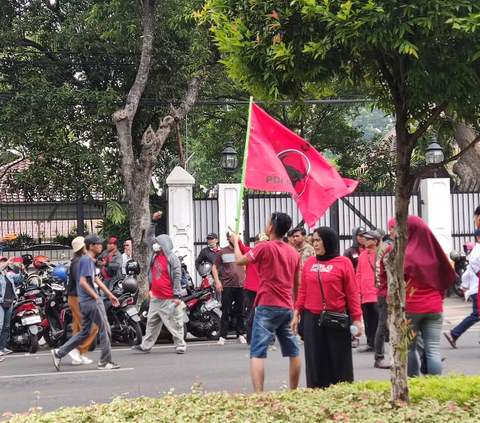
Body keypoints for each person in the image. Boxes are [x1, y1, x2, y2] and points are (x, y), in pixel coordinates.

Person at [230, 212, 301, 393]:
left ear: (270, 228)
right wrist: (295, 310)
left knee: (257, 353)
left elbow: (239, 260)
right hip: (286, 307)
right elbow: (297, 284)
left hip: (267, 305)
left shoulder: (264, 247)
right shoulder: (293, 252)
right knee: (293, 352)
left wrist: (236, 242)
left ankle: (259, 395)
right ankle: (293, 391)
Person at [380, 216, 455, 377]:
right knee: (433, 348)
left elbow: (385, 276)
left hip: (410, 308)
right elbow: (444, 277)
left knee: (409, 349)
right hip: (434, 307)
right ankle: (436, 386)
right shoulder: (434, 251)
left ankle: (414, 385)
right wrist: (439, 298)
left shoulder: (396, 251)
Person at [292, 227, 362, 388]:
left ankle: (342, 395)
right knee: (315, 360)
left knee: (339, 361)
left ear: (329, 241)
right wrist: (296, 313)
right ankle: (317, 393)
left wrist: (357, 319)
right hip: (312, 318)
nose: (315, 244)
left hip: (336, 318)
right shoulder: (310, 262)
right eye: (313, 240)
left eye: (319, 240)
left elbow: (352, 293)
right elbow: (303, 290)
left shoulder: (343, 262)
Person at [51, 234, 121, 371]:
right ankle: (105, 361)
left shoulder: (88, 260)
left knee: (85, 332)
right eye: (98, 244)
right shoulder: (85, 261)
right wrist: (95, 296)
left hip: (87, 300)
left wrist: (110, 295)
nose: (101, 246)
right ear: (91, 246)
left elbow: (96, 279)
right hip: (89, 301)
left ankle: (59, 352)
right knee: (104, 328)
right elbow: (82, 282)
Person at [132, 211, 186, 354]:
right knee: (151, 322)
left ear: (163, 245)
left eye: (158, 243)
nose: (155, 244)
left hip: (169, 298)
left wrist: (177, 296)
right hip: (156, 297)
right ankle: (146, 346)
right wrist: (153, 222)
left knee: (174, 320)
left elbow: (176, 276)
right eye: (156, 243)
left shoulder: (172, 258)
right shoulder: (155, 254)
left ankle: (180, 345)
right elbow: (149, 236)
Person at [65, 236, 98, 365]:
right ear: (82, 247)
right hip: (77, 297)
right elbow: (82, 281)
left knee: (78, 327)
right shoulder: (78, 262)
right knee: (91, 326)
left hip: (76, 297)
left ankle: (78, 353)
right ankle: (76, 350)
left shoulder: (79, 260)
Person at [444, 229, 480, 348]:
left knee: (476, 314)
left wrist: (464, 286)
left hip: (476, 289)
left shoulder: (475, 251)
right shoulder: (477, 252)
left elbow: (467, 273)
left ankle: (454, 334)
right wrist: (464, 287)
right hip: (477, 290)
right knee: (476, 315)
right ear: (478, 238)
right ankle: (454, 333)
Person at [238, 233, 274, 349]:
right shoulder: (251, 252)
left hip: (267, 288)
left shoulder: (272, 254)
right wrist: (236, 237)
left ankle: (270, 341)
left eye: (265, 242)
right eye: (260, 242)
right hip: (252, 288)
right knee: (251, 315)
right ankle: (251, 340)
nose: (263, 245)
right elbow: (241, 247)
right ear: (256, 243)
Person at [213, 232, 246, 346]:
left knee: (240, 312)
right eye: (233, 237)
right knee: (225, 312)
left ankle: (240, 334)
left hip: (241, 285)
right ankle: (222, 336)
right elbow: (215, 267)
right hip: (227, 285)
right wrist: (217, 281)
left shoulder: (242, 250)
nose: (236, 238)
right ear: (228, 239)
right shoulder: (222, 252)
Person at [373, 223, 394, 370]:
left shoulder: (389, 246)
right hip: (386, 293)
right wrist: (386, 291)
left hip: (389, 292)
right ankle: (379, 357)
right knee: (382, 325)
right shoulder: (385, 248)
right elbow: (380, 273)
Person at [356, 230, 380, 353]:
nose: (364, 240)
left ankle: (378, 345)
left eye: (368, 239)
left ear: (375, 242)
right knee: (368, 320)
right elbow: (358, 274)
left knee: (378, 320)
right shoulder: (362, 255)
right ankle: (370, 343)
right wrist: (358, 291)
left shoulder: (380, 254)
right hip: (365, 294)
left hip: (376, 294)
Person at [0, 257, 25, 358]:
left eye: (4, 261)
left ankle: (2, 347)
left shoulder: (9, 275)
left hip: (9, 302)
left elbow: (19, 278)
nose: (3, 263)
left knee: (6, 326)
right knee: (0, 325)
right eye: (1, 261)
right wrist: (6, 264)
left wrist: (22, 269)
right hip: (0, 302)